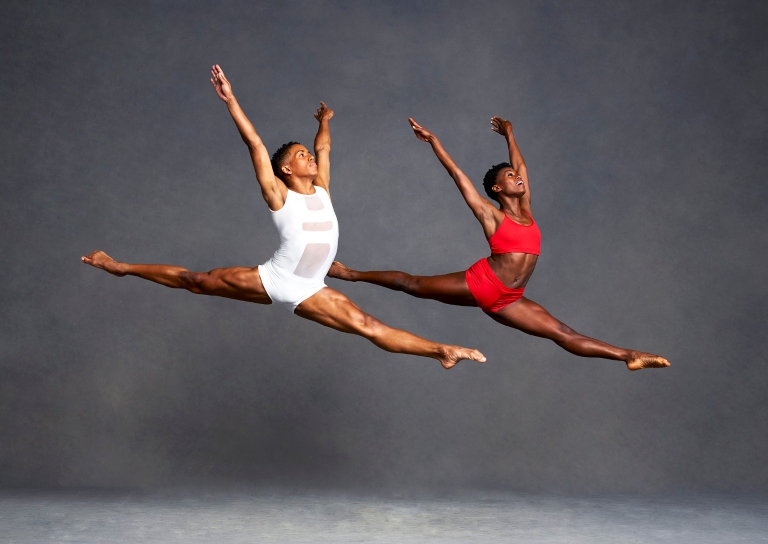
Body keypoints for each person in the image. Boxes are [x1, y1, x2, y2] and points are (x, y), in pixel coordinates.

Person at [81, 65, 485, 369]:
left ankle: (441, 350)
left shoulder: (322, 188)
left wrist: (324, 123)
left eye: (305, 153)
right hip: (277, 278)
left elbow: (324, 149)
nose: (308, 156)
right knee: (194, 281)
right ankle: (120, 267)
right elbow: (255, 143)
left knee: (368, 324)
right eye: (299, 156)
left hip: (309, 285)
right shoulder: (279, 196)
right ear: (287, 171)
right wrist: (231, 99)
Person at [329, 117, 670, 371]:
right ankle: (352, 274)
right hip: (483, 283)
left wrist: (510, 134)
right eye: (509, 177)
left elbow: (521, 165)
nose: (517, 177)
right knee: (413, 284)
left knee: (563, 332)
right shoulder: (491, 215)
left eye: (516, 175)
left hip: (510, 299)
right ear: (496, 190)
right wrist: (434, 141)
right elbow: (458, 176)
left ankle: (630, 355)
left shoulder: (526, 209)